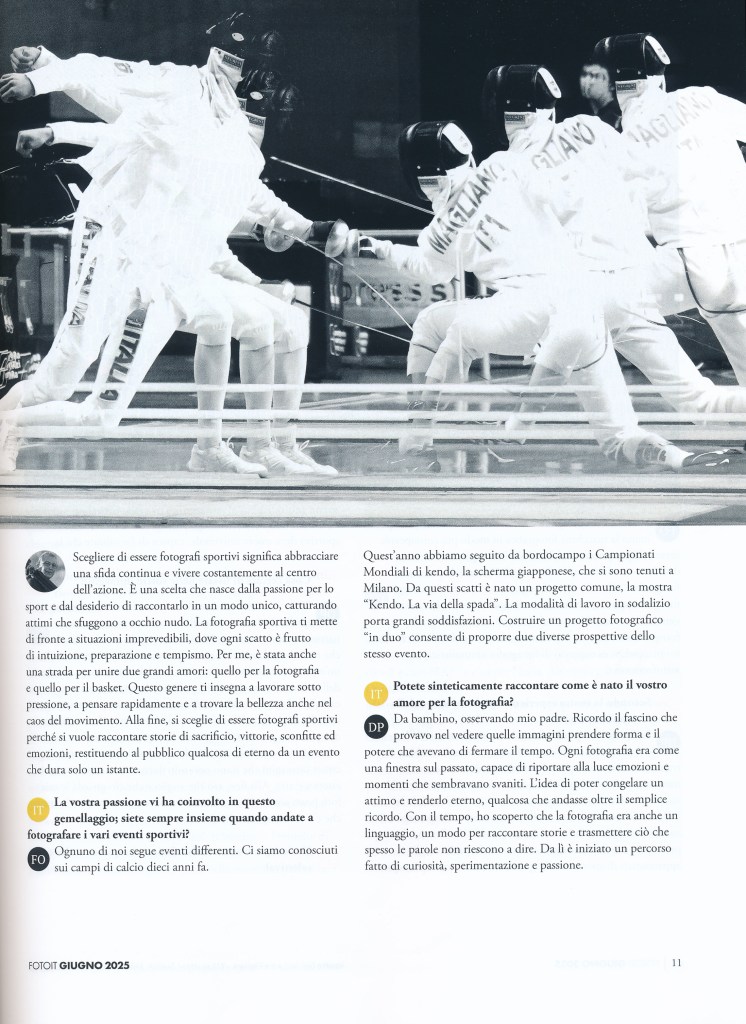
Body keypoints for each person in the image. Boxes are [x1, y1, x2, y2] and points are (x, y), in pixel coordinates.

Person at [0, 21, 341, 476]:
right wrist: (42, 74)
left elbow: (246, 194)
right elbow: (102, 79)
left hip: (166, 269)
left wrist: (304, 228)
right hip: (115, 245)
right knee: (61, 380)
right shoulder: (179, 86)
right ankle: (7, 425)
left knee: (250, 321)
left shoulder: (231, 128)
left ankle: (231, 446)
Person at [360, 120, 694, 469]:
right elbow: (564, 199)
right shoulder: (506, 163)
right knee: (618, 435)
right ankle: (675, 456)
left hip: (523, 314)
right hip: (583, 308)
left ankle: (420, 433)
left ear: (423, 177)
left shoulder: (437, 234)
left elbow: (431, 270)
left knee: (436, 325)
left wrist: (370, 246)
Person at [479, 63, 746, 461]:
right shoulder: (591, 127)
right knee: (699, 400)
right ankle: (519, 428)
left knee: (615, 429)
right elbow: (637, 187)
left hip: (588, 300)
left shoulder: (501, 171)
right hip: (634, 284)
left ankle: (516, 429)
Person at [593, 33, 746, 383]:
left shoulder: (627, 138)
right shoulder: (702, 97)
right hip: (740, 248)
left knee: (589, 313)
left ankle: (695, 401)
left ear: (618, 82)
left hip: (693, 259)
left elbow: (626, 219)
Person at [579, 60, 621, 129]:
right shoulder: (587, 116)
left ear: (611, 84)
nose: (587, 81)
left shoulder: (618, 117)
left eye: (596, 76)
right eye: (584, 74)